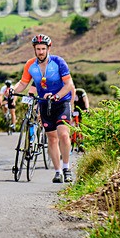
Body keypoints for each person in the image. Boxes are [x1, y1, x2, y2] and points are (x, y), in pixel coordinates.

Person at [10, 34, 76, 183]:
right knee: (52, 139)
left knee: (64, 135)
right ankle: (58, 172)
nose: (40, 52)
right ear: (34, 49)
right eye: (38, 49)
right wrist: (13, 90)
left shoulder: (58, 62)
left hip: (61, 102)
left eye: (43, 49)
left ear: (48, 48)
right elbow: (23, 83)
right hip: (44, 104)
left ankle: (67, 168)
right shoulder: (30, 65)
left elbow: (69, 85)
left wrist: (57, 96)